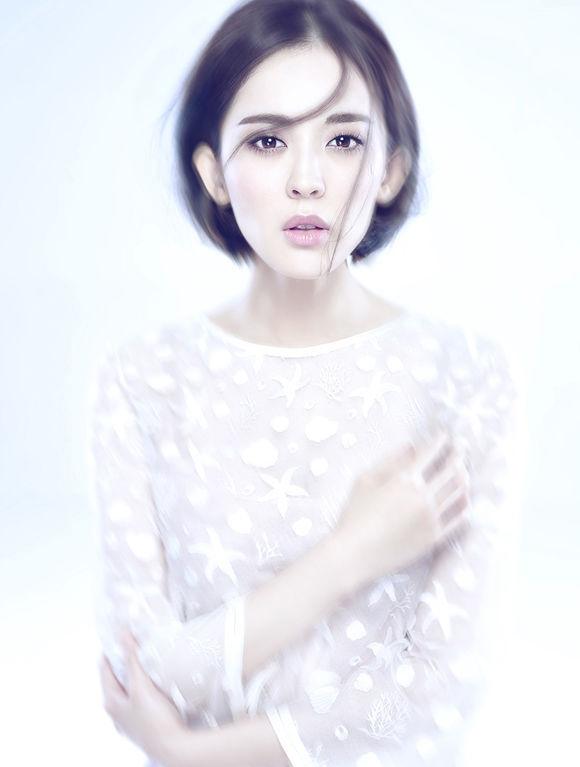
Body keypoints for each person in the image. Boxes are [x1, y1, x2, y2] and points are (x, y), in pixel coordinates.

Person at [89, 1, 521, 766]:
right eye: (268, 140)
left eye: (344, 140)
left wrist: (192, 756)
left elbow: (442, 694)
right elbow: (145, 674)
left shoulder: (464, 377)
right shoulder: (144, 381)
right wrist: (352, 552)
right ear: (213, 172)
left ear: (391, 169)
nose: (308, 180)